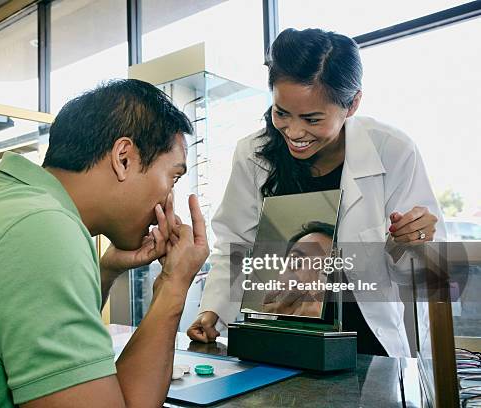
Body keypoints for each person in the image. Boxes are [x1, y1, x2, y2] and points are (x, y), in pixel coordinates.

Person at [0, 79, 209, 408]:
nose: (170, 200)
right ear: (123, 158)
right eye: (173, 177)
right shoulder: (42, 229)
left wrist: (106, 270)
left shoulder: (8, 202)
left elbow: (42, 347)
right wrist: (173, 285)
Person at [187, 28, 446, 357]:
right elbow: (234, 247)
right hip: (278, 339)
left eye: (312, 118)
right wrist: (212, 312)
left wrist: (412, 241)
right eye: (281, 113)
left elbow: (425, 273)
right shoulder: (253, 154)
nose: (294, 133)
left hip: (365, 346)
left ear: (352, 104)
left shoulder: (392, 151)